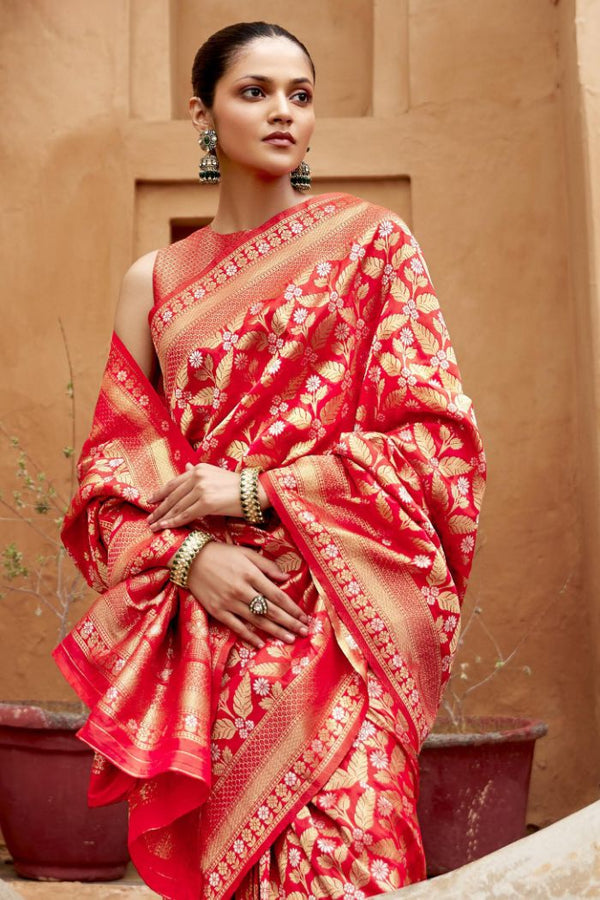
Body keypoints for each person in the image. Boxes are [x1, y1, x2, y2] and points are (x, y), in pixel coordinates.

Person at [54, 21, 486, 900]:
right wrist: (190, 556)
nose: (283, 111)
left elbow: (437, 443)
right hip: (215, 636)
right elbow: (110, 481)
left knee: (354, 854)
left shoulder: (371, 244)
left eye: (300, 94)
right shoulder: (157, 281)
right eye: (255, 92)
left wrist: (257, 490)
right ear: (203, 114)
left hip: (339, 624)